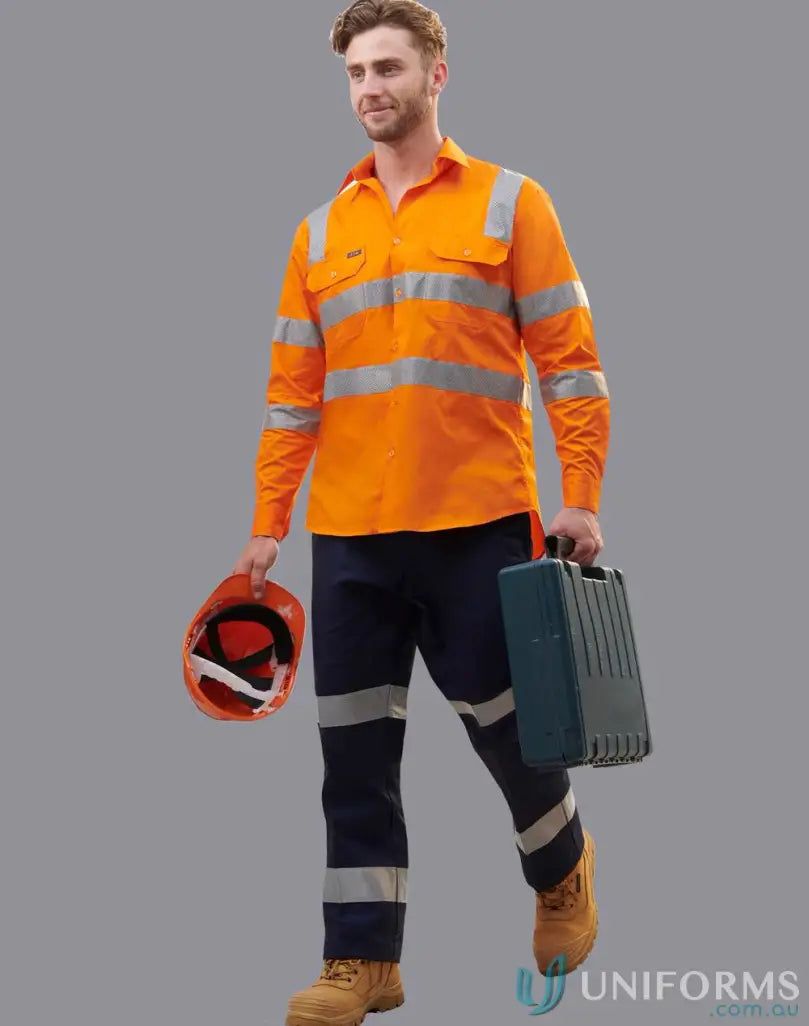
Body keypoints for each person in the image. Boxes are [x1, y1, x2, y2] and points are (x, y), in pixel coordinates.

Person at [233, 1, 610, 1022]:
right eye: (356, 71)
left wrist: (579, 499)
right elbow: (288, 399)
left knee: (510, 725)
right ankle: (364, 962)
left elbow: (568, 366)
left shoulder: (509, 203)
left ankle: (560, 862)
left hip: (480, 520)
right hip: (350, 533)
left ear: (437, 74)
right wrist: (269, 522)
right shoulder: (319, 234)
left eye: (388, 66)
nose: (369, 87)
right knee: (353, 752)